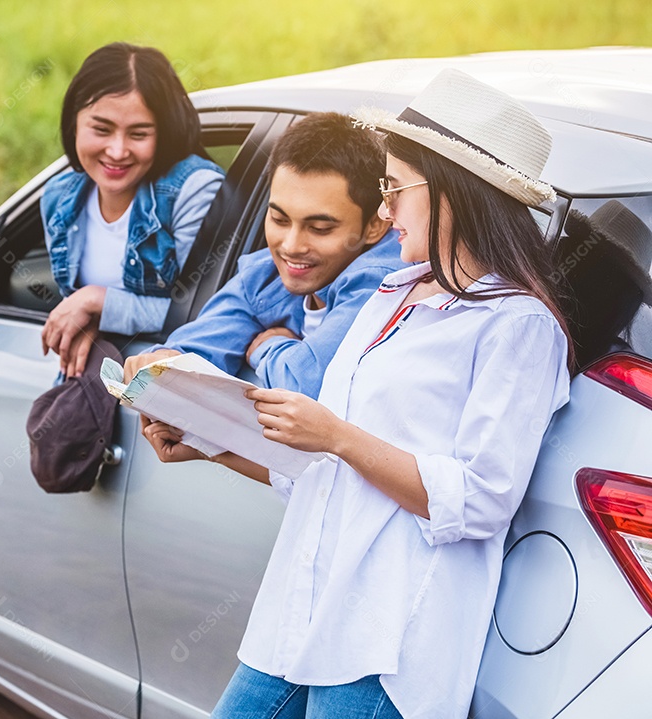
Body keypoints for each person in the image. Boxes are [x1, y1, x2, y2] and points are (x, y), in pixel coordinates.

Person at [142, 69, 574, 718]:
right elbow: (322, 471)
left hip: (386, 643)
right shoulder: (391, 297)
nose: (386, 210)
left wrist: (339, 434)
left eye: (395, 188)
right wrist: (207, 444)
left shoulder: (517, 326)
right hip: (299, 614)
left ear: (454, 193)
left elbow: (482, 498)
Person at [123, 112, 406, 397]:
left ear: (375, 226)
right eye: (279, 220)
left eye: (319, 228)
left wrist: (266, 347)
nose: (291, 246)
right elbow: (192, 351)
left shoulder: (387, 278)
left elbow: (306, 384)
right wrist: (161, 360)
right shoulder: (264, 275)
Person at [40, 42, 224, 378]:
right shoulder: (58, 196)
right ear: (74, 123)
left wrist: (96, 301)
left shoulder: (193, 190)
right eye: (101, 129)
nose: (117, 150)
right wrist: (92, 319)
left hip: (166, 383)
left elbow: (199, 312)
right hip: (98, 382)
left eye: (138, 134)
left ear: (162, 133)